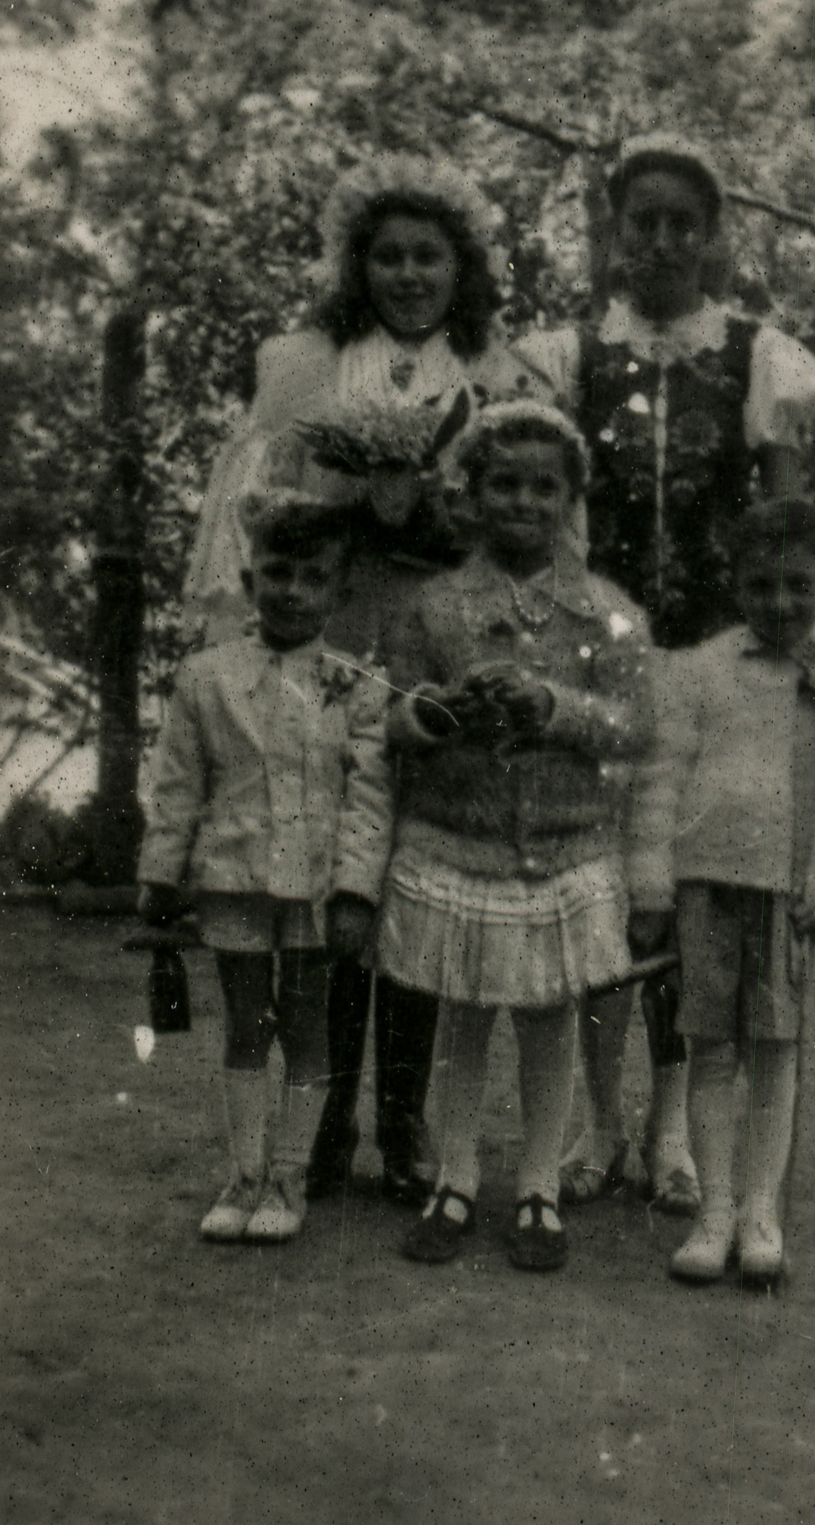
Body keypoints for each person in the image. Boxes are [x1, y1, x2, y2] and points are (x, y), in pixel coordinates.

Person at [184, 152, 547, 1206]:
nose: (408, 274)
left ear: (461, 266)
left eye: (429, 255)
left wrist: (435, 514)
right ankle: (328, 1114)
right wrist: (351, 507)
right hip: (334, 640)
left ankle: (405, 1121)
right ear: (358, 264)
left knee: (420, 868)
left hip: (440, 642)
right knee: (333, 870)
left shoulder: (498, 374)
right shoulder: (308, 366)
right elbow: (264, 517)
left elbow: (521, 522)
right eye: (387, 256)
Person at [517, 133, 815, 1214]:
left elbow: (785, 527)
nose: (659, 241)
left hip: (710, 667)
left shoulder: (757, 358)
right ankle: (597, 1122)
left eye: (680, 224)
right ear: (615, 233)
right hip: (597, 660)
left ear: (710, 237)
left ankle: (669, 1128)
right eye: (641, 222)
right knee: (598, 887)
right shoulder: (566, 356)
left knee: (691, 895)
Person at [375, 402, 661, 1271]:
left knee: (547, 1017)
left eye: (545, 488)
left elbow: (635, 726)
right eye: (504, 484)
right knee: (462, 1014)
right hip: (458, 842)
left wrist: (555, 707)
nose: (524, 503)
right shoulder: (434, 608)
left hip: (563, 850)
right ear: (471, 493)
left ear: (571, 499)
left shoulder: (607, 614)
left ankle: (539, 1184)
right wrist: (436, 713)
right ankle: (455, 1176)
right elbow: (389, 713)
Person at [632, 500, 815, 1281]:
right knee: (711, 1051)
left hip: (789, 896)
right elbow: (661, 780)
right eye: (761, 585)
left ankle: (760, 1215)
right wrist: (651, 888)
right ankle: (713, 1214)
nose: (779, 602)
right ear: (737, 585)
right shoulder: (704, 669)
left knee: (777, 1055)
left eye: (798, 585)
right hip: (707, 889)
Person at [137, 491, 393, 1243]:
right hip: (235, 875)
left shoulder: (356, 684)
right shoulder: (206, 677)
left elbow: (368, 798)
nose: (292, 590)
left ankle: (289, 1177)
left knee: (308, 1024)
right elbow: (179, 783)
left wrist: (355, 891)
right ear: (250, 581)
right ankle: (244, 1174)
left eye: (313, 577)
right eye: (277, 572)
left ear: (338, 591)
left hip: (314, 885)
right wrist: (161, 872)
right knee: (247, 1022)